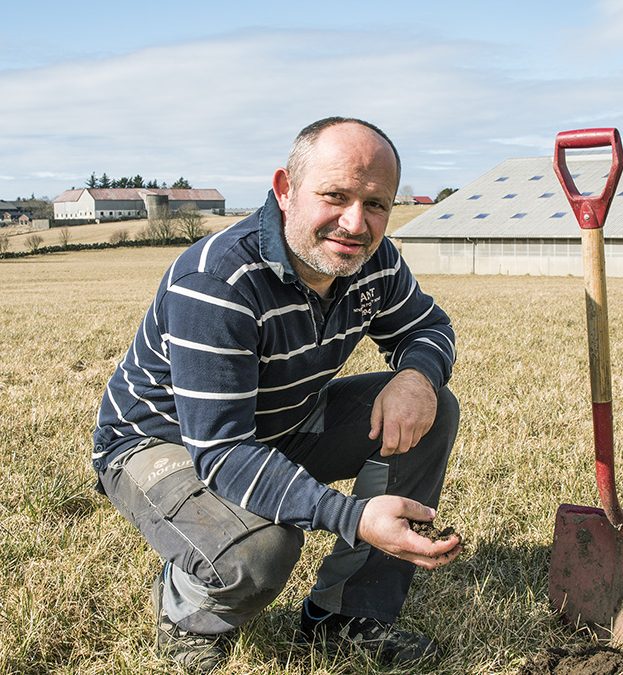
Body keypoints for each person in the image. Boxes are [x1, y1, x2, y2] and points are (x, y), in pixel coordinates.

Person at [92, 116, 462, 672]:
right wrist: (352, 516)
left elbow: (425, 326)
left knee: (433, 409)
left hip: (281, 425)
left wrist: (417, 377)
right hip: (163, 443)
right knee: (261, 551)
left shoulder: (374, 260)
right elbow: (222, 451)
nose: (356, 223)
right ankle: (189, 610)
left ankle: (343, 616)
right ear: (285, 191)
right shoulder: (218, 282)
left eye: (377, 204)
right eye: (334, 196)